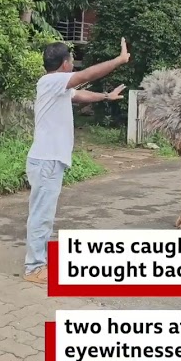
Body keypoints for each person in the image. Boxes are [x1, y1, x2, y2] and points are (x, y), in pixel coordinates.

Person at [24, 40, 130, 284]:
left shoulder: (55, 86)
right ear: (64, 64)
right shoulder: (52, 81)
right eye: (71, 60)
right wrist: (118, 60)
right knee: (41, 215)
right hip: (47, 161)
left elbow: (79, 94)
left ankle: (39, 261)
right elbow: (85, 76)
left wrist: (106, 95)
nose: (72, 64)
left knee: (44, 214)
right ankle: (34, 268)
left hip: (48, 161)